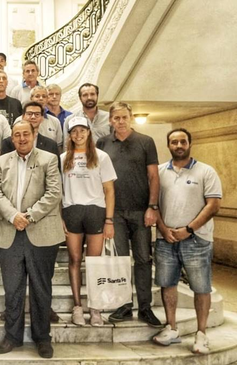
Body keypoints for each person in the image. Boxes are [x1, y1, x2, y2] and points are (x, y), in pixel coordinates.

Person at [0, 119, 63, 358]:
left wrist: (29, 216)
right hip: (10, 232)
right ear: (12, 137)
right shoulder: (1, 161)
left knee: (41, 289)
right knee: (13, 290)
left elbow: (54, 193)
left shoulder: (49, 159)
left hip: (40, 232)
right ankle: (12, 336)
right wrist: (13, 216)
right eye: (17, 135)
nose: (21, 139)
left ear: (34, 134)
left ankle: (43, 338)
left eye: (25, 134)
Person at [152, 128, 222, 355]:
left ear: (190, 143)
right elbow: (154, 204)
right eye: (174, 142)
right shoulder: (161, 171)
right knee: (168, 283)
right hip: (166, 238)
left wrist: (189, 229)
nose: (179, 145)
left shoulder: (206, 171)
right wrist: (162, 228)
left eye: (183, 141)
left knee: (201, 287)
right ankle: (171, 327)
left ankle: (201, 334)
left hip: (196, 240)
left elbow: (213, 205)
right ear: (168, 145)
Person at [96, 101, 162, 327]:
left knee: (143, 259)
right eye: (116, 118)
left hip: (141, 211)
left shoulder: (145, 142)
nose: (120, 122)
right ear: (110, 120)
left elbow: (154, 176)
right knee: (121, 261)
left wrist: (152, 207)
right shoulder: (103, 143)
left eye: (124, 117)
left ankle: (145, 307)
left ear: (130, 117)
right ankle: (124, 305)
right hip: (115, 213)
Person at [60, 117, 117, 327]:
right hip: (72, 210)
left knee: (94, 263)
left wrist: (109, 220)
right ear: (70, 135)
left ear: (89, 132)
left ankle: (95, 308)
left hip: (96, 212)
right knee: (74, 260)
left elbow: (109, 190)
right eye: (74, 131)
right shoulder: (63, 158)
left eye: (82, 130)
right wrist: (59, 217)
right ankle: (77, 307)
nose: (78, 135)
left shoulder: (101, 156)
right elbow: (57, 191)